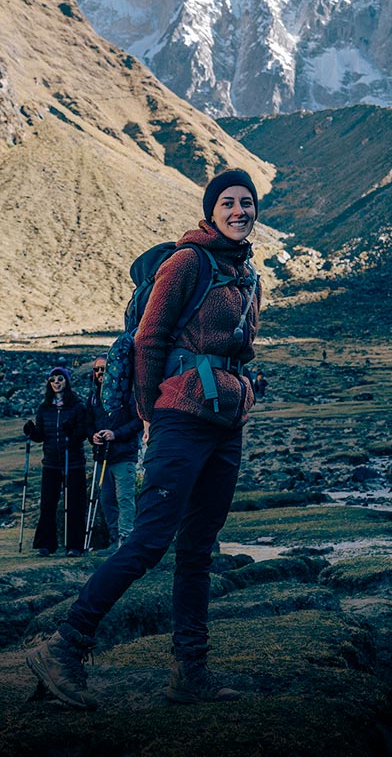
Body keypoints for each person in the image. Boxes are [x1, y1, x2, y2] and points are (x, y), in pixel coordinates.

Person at [27, 170, 262, 711]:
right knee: (150, 540)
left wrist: (244, 389)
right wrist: (151, 412)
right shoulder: (187, 263)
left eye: (246, 203)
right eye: (227, 202)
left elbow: (237, 349)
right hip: (180, 418)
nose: (238, 210)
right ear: (211, 211)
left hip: (226, 424)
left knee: (199, 549)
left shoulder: (247, 274)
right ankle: (65, 645)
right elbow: (150, 337)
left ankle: (191, 672)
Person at [24, 366, 89, 557]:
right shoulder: (45, 408)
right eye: (52, 379)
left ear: (67, 381)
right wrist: (31, 431)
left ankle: (74, 546)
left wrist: (72, 432)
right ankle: (46, 545)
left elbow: (82, 433)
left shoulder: (77, 406)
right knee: (48, 503)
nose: (56, 382)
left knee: (74, 503)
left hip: (73, 463)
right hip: (51, 463)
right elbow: (40, 436)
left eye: (60, 379)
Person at [86, 355, 142, 550]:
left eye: (104, 368)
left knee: (124, 499)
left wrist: (115, 434)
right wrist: (92, 436)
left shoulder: (127, 394)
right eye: (97, 370)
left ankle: (126, 541)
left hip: (123, 455)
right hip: (102, 457)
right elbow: (89, 424)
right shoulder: (93, 397)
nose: (100, 372)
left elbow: (138, 422)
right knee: (107, 499)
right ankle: (113, 540)